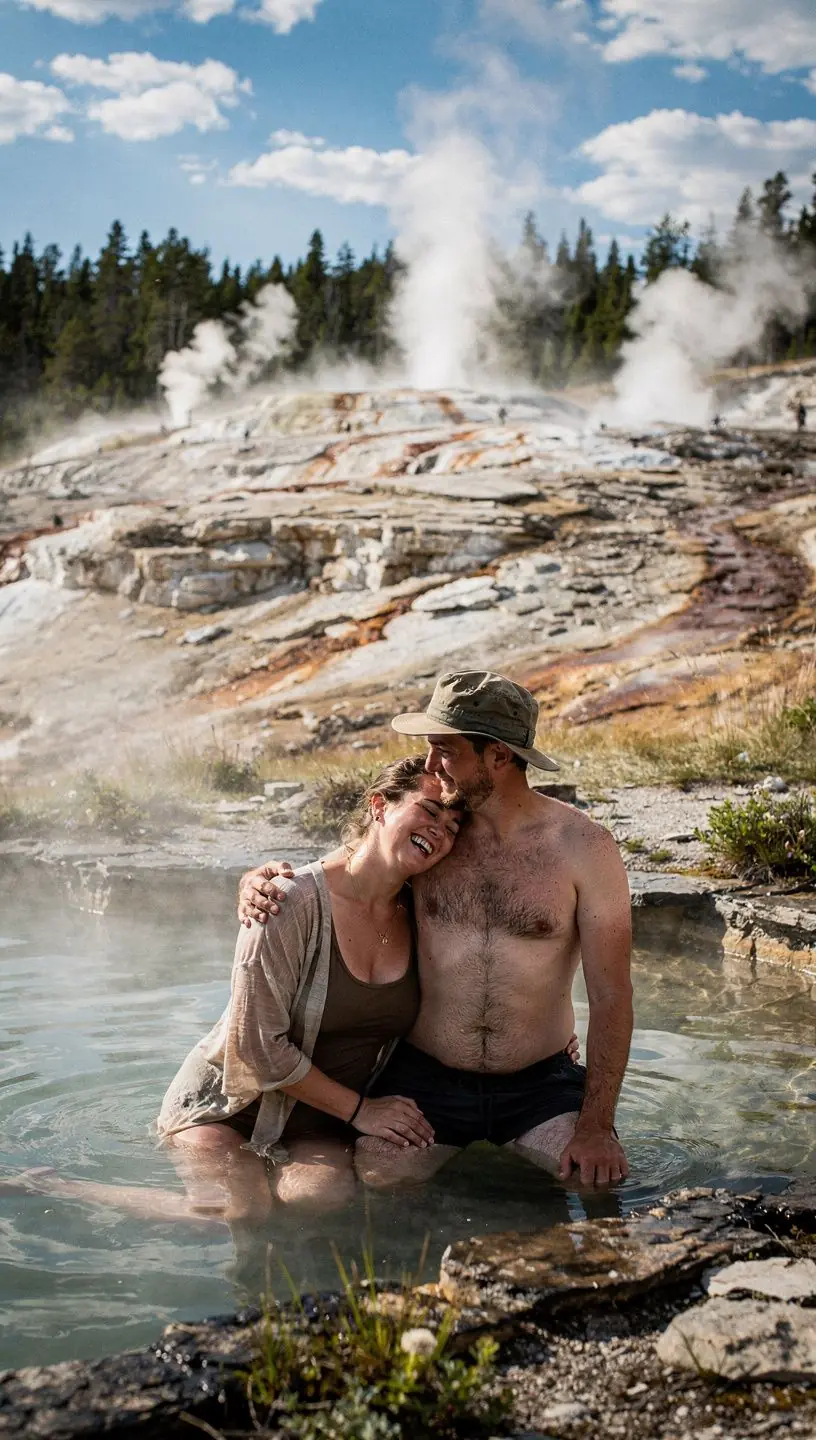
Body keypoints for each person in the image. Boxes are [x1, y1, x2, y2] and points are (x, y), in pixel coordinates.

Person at [241, 671, 633, 1190]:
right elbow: (348, 875)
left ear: (497, 755)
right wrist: (259, 880)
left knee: (594, 1180)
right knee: (381, 1178)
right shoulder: (435, 840)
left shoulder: (584, 848)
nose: (429, 765)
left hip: (540, 1082)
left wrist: (597, 1125)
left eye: (443, 749)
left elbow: (611, 996)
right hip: (426, 1077)